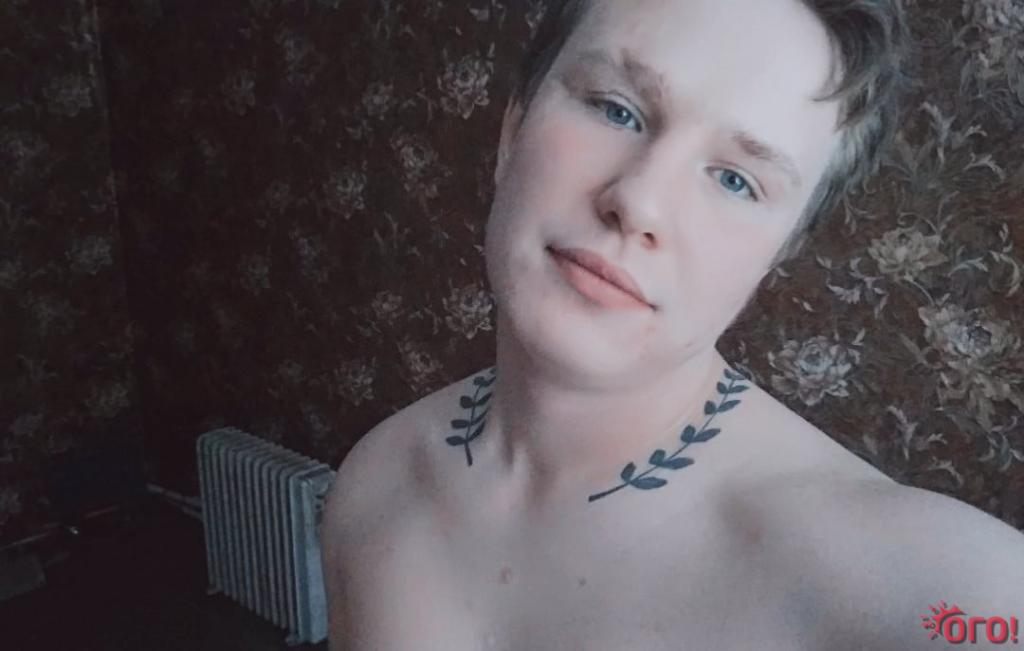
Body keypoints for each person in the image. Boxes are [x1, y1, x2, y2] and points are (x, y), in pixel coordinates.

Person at [321, 0, 1024, 648]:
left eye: (736, 180)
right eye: (616, 110)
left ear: (779, 250)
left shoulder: (936, 592)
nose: (639, 202)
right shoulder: (376, 482)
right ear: (513, 131)